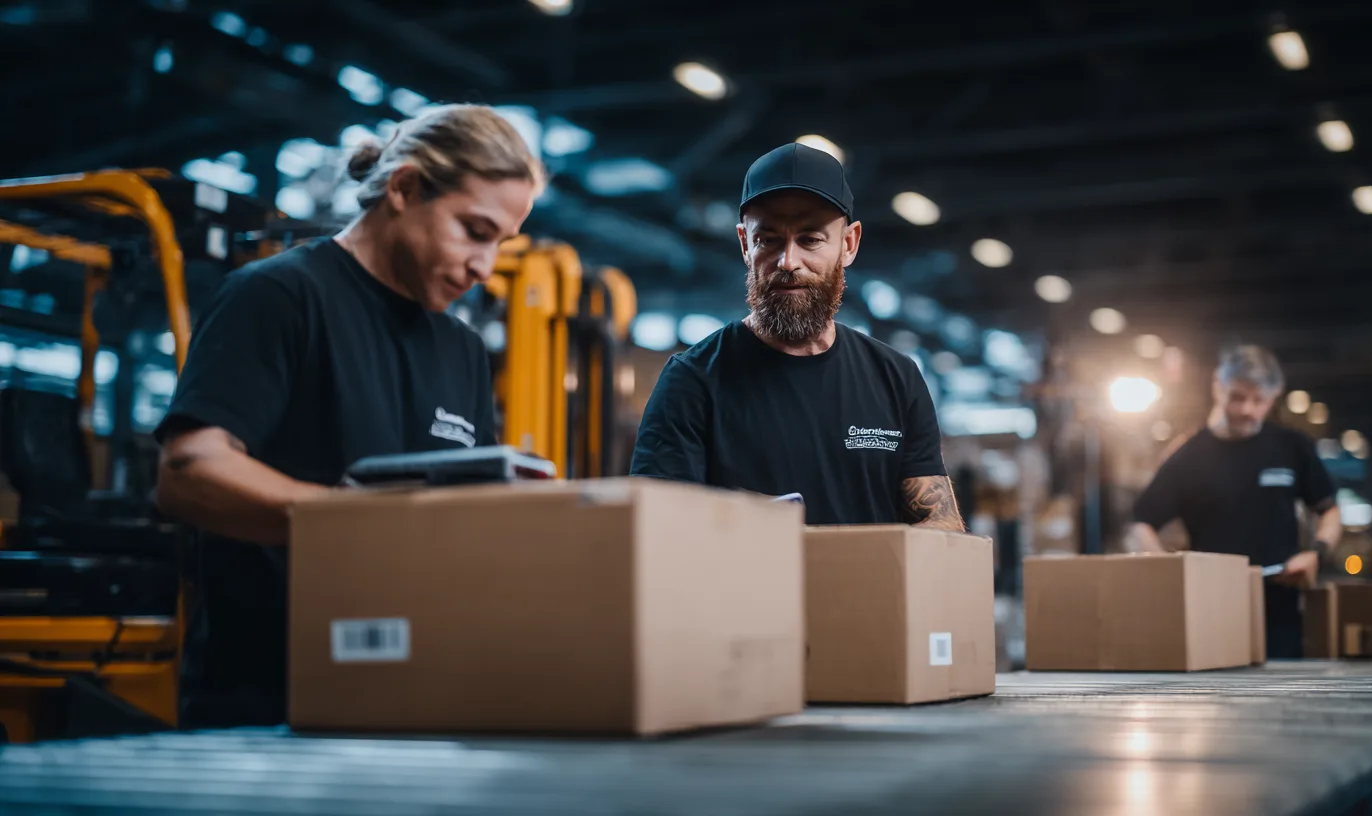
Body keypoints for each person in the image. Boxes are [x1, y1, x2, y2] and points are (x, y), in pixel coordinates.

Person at [154, 104, 545, 727]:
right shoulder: (278, 296)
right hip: (268, 704)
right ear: (404, 188)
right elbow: (190, 472)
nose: (484, 267)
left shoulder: (463, 350)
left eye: (499, 243)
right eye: (474, 231)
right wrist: (352, 526)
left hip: (424, 692)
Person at [629, 143, 962, 531]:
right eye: (768, 240)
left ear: (849, 244)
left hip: (867, 593)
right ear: (744, 244)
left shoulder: (896, 378)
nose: (788, 261)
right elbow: (657, 537)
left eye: (811, 239)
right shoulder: (692, 382)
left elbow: (939, 528)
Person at [1128, 344, 1340, 658]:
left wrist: (1317, 554)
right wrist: (1170, 574)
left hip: (1279, 609)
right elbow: (1140, 524)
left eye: (1259, 400)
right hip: (1211, 613)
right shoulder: (1188, 456)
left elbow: (1330, 511)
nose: (1247, 410)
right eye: (1238, 397)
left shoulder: (1292, 447)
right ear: (1218, 386)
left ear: (1275, 394)